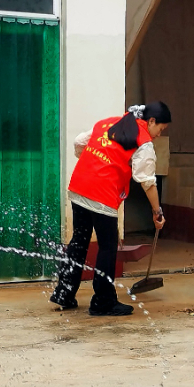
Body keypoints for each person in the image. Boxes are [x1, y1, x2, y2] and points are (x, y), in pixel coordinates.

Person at [51, 103, 172, 316]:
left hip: (79, 186)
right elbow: (146, 180)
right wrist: (157, 211)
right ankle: (103, 301)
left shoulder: (109, 122)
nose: (159, 134)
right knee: (107, 246)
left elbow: (79, 142)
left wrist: (94, 163)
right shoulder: (143, 141)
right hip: (102, 193)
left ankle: (64, 293)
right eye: (160, 129)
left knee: (79, 240)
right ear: (151, 121)